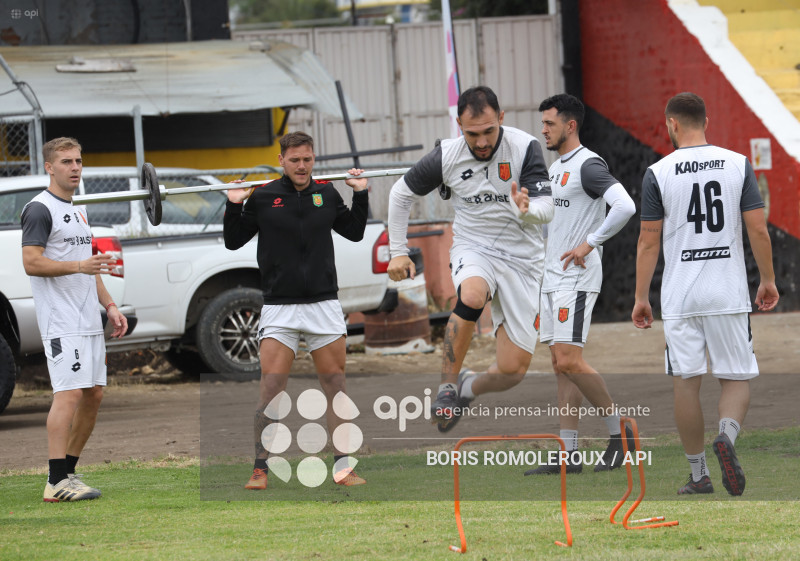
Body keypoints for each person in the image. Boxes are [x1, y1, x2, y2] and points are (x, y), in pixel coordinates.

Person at [632, 92, 779, 496]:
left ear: (671, 124)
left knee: (686, 382)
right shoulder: (737, 164)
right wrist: (767, 279)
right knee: (735, 377)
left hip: (680, 297)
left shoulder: (658, 172)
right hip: (726, 291)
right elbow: (758, 229)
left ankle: (699, 475)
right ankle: (726, 439)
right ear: (706, 121)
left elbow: (648, 241)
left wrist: (641, 296)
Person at [387, 85, 554, 431]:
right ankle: (447, 387)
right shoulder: (446, 155)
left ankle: (467, 387)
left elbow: (546, 207)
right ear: (458, 125)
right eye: (471, 134)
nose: (481, 142)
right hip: (474, 246)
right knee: (473, 295)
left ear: (502, 119)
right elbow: (400, 194)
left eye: (489, 132)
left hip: (524, 260)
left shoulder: (524, 147)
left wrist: (527, 210)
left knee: (512, 371)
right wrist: (398, 251)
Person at [223, 131, 368, 489]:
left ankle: (343, 468)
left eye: (307, 159)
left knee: (336, 385)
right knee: (271, 389)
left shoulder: (327, 193)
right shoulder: (265, 195)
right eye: (294, 160)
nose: (301, 166)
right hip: (279, 306)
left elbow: (355, 232)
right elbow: (232, 241)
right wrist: (234, 203)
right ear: (281, 160)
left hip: (323, 304)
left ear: (313, 159)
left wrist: (361, 193)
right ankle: (260, 469)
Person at [525, 94, 637, 475]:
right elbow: (550, 223)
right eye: (543, 123)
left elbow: (625, 206)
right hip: (552, 277)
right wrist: (523, 209)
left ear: (570, 126)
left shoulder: (588, 165)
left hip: (576, 277)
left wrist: (591, 242)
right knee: (561, 365)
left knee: (570, 360)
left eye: (550, 124)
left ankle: (620, 432)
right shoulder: (555, 170)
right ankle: (567, 454)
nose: (543, 130)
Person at [21, 137, 128, 502]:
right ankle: (54, 481)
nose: (75, 167)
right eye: (66, 161)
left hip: (87, 319)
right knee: (68, 395)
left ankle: (67, 473)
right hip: (61, 322)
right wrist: (79, 265)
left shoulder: (78, 210)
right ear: (50, 167)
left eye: (79, 160)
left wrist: (110, 305)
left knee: (94, 395)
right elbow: (31, 262)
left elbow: (90, 266)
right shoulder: (39, 209)